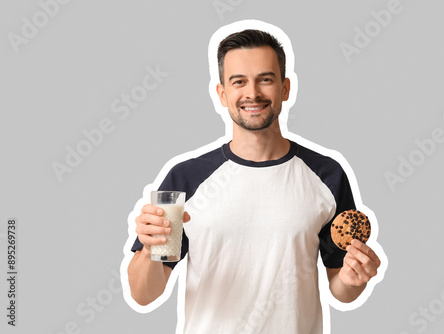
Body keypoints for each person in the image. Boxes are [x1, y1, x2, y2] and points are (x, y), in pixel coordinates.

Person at [127, 27, 381, 333]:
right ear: (222, 94)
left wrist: (355, 278)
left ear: (285, 88)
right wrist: (150, 250)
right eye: (239, 82)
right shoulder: (184, 179)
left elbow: (340, 286)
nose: (253, 93)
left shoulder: (327, 175)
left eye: (266, 79)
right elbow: (144, 295)